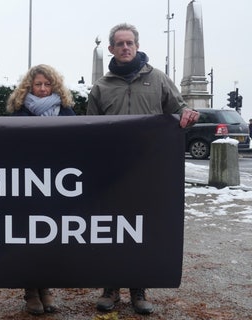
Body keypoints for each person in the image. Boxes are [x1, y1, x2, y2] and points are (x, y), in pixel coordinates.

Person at [87, 23, 199, 315]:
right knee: (110, 229)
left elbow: (180, 109)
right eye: (120, 44)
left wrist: (188, 114)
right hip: (111, 172)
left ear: (137, 46)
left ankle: (138, 289)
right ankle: (110, 288)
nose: (125, 48)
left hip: (148, 169)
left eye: (130, 43)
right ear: (111, 48)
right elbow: (88, 132)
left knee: (140, 229)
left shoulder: (158, 79)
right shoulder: (101, 87)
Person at [5, 64, 74, 316]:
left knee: (50, 238)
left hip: (59, 186)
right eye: (38, 84)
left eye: (47, 84)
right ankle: (31, 291)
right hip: (27, 187)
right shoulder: (19, 113)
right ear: (29, 87)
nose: (43, 89)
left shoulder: (67, 113)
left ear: (54, 86)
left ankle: (46, 288)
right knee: (28, 238)